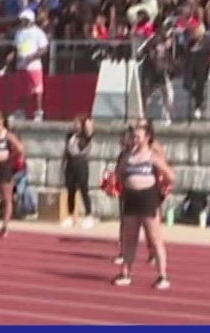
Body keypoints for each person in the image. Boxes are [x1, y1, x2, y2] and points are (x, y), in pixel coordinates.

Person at [111, 122, 174, 289]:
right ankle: (125, 272)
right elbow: (118, 174)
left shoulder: (153, 156)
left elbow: (170, 175)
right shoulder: (127, 156)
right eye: (133, 136)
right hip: (131, 198)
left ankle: (162, 276)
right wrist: (115, 184)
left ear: (147, 138)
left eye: (138, 136)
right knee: (129, 238)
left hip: (148, 198)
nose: (135, 139)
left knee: (155, 239)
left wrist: (162, 189)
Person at [61, 115, 97, 229]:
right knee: (70, 190)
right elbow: (66, 150)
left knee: (83, 189)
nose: (75, 125)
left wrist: (86, 121)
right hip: (71, 163)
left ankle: (88, 215)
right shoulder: (70, 135)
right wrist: (63, 163)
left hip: (81, 162)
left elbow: (90, 131)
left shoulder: (85, 136)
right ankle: (70, 216)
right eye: (74, 123)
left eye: (77, 123)